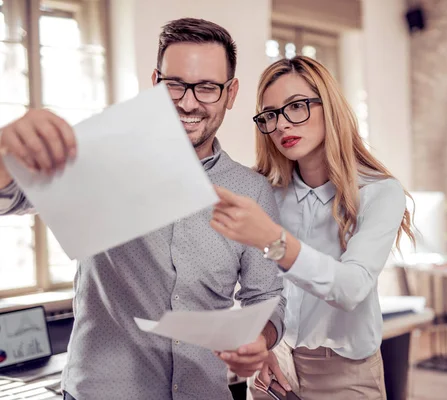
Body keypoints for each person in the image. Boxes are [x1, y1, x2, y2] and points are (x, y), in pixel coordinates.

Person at [0, 18, 285, 400]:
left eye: (206, 88)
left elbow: (267, 296)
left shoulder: (253, 191)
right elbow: (11, 198)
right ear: (155, 82)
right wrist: (5, 151)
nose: (188, 102)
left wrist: (259, 338)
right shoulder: (99, 160)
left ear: (231, 93)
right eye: (175, 85)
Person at [209, 56, 414, 400]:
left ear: (329, 107)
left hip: (345, 375)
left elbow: (351, 288)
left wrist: (274, 242)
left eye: (298, 106)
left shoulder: (379, 192)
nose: (283, 126)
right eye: (271, 115)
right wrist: (260, 344)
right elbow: (255, 288)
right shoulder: (266, 193)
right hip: (273, 368)